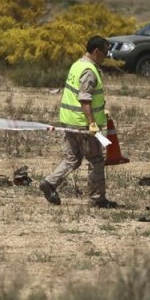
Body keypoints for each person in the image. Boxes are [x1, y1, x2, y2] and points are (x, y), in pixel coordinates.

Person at [39, 35, 118, 209]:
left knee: (72, 159)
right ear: (96, 51)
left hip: (69, 121)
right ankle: (98, 199)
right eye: (105, 52)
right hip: (83, 124)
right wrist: (92, 122)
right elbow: (84, 99)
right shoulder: (89, 70)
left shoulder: (77, 64)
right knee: (96, 160)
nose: (106, 56)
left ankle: (50, 183)